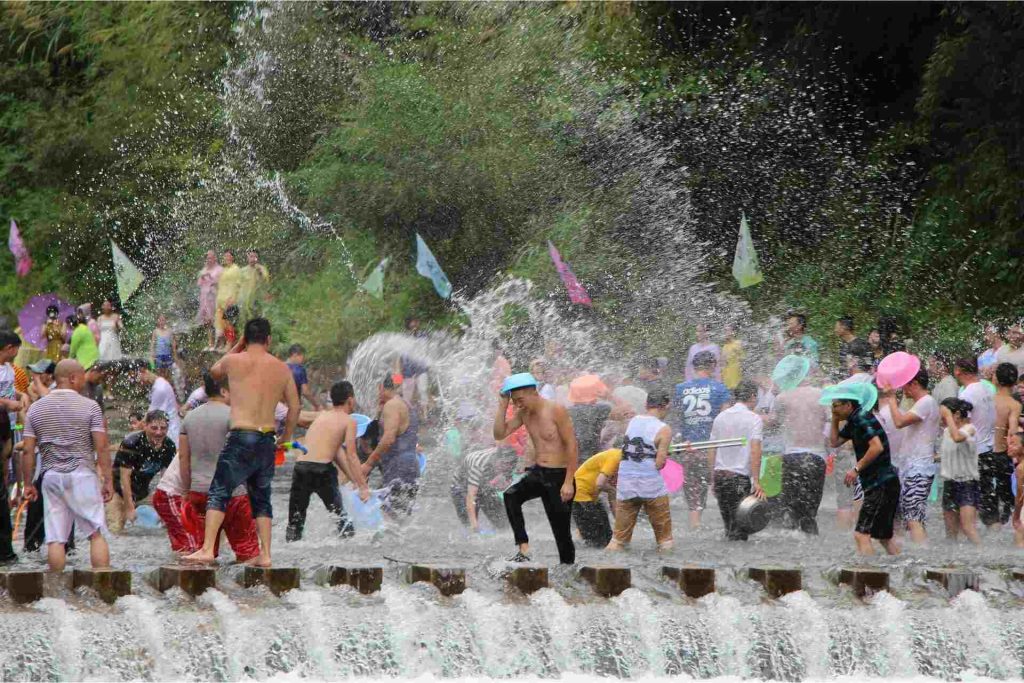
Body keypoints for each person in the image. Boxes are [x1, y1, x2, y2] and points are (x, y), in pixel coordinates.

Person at [184, 318, 299, 567]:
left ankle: (206, 549)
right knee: (261, 497)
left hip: (241, 435)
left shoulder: (233, 360)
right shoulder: (282, 368)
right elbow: (295, 406)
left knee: (219, 491)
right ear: (268, 339)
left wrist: (238, 345)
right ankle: (266, 555)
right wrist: (286, 437)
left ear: (246, 339)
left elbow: (214, 372)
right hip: (267, 438)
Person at [21, 360, 112, 571]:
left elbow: (27, 450)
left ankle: (56, 593)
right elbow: (102, 447)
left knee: (55, 538)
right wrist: (107, 480)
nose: (83, 381)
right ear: (72, 378)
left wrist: (27, 484)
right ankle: (103, 589)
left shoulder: (36, 409)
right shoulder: (90, 407)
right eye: (81, 376)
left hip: (51, 476)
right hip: (82, 475)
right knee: (95, 533)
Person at [166, 371, 259, 560]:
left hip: (199, 492)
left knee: (204, 552)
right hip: (233, 495)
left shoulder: (190, 418)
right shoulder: (235, 416)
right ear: (225, 391)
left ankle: (205, 588)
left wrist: (186, 491)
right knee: (247, 552)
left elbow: (184, 458)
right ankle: (249, 589)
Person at [493, 373, 577, 564]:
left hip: (560, 475)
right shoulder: (523, 413)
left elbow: (572, 445)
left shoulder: (556, 410)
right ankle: (524, 549)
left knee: (561, 533)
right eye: (515, 401)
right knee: (511, 496)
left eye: (520, 400)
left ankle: (568, 570)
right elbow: (499, 434)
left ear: (533, 392)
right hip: (539, 472)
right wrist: (503, 405)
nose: (518, 405)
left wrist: (568, 482)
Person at [286, 381, 370, 542]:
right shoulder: (349, 421)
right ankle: (350, 549)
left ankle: (290, 552)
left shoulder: (322, 416)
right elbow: (351, 456)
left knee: (295, 521)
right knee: (340, 517)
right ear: (350, 400)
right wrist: (363, 487)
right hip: (321, 471)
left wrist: (354, 480)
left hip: (301, 468)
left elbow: (337, 453)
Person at [829, 392, 900, 556]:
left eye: (836, 405)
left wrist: (856, 469)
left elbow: (877, 447)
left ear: (848, 405)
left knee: (861, 534)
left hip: (880, 484)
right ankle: (900, 571)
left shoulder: (861, 418)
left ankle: (869, 576)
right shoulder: (854, 420)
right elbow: (834, 442)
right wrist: (834, 419)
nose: (833, 409)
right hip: (885, 483)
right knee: (884, 538)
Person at [607, 391, 673, 551]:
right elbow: (659, 464)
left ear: (646, 405)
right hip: (651, 486)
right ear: (666, 407)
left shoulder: (633, 421)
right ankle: (666, 570)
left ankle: (607, 564)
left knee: (618, 540)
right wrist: (664, 453)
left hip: (626, 484)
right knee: (665, 541)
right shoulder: (664, 429)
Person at [672, 351, 731, 529]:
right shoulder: (719, 388)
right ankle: (729, 528)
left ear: (694, 367)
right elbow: (725, 419)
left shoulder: (680, 389)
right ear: (712, 367)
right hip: (711, 449)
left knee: (694, 493)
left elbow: (676, 418)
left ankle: (695, 525)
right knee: (720, 488)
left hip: (689, 448)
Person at [882, 369, 940, 544]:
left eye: (905, 384)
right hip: (914, 467)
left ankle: (921, 557)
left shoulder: (926, 402)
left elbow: (899, 422)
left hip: (918, 468)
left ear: (914, 384)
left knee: (913, 517)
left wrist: (891, 399)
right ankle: (920, 552)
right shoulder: (923, 403)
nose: (902, 389)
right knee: (914, 517)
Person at [767, 373, 827, 534]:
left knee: (790, 507)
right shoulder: (821, 395)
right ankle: (812, 542)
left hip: (791, 456)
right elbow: (829, 421)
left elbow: (773, 422)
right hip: (817, 456)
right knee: (810, 511)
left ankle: (792, 545)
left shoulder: (782, 397)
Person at [708, 380, 764, 541]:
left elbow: (712, 449)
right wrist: (756, 480)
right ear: (752, 396)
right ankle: (739, 564)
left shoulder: (720, 417)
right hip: (738, 479)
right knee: (741, 529)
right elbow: (755, 450)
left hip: (720, 478)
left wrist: (712, 478)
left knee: (729, 527)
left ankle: (726, 563)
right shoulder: (754, 419)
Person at [361, 376, 421, 518]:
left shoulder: (392, 405)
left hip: (398, 467)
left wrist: (368, 464)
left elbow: (388, 438)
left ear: (381, 387)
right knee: (402, 519)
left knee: (387, 517)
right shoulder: (407, 404)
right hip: (411, 466)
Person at [107, 410, 175, 533]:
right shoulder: (132, 443)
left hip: (143, 493)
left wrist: (165, 507)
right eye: (154, 428)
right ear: (145, 426)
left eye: (163, 428)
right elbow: (124, 477)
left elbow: (166, 480)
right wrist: (129, 506)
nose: (159, 432)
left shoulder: (169, 446)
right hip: (118, 491)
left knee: (168, 525)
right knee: (116, 530)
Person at [954, 357, 1000, 529]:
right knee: (988, 496)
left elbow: (961, 424)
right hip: (988, 449)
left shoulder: (967, 394)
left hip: (973, 451)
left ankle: (972, 536)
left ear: (958, 370)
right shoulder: (987, 389)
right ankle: (995, 531)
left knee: (968, 498)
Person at [938, 397, 981, 544]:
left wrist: (948, 416)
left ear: (956, 415)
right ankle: (951, 563)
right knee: (950, 533)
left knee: (968, 528)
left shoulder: (970, 429)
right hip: (950, 483)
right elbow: (949, 452)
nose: (942, 419)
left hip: (967, 483)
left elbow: (957, 438)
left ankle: (983, 558)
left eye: (944, 415)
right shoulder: (946, 432)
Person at [452, 447, 516, 534]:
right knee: (469, 524)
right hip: (461, 487)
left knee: (504, 522)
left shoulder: (509, 460)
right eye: (502, 464)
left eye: (508, 465)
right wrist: (474, 525)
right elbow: (471, 497)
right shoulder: (478, 465)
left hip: (483, 485)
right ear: (496, 459)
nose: (504, 468)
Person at [989, 362, 1020, 527]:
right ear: (1015, 382)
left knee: (987, 495)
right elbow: (1012, 432)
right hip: (1001, 455)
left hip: (984, 454)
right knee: (1006, 497)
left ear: (996, 379)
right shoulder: (1013, 404)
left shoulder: (988, 400)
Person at [571, 448, 621, 547]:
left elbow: (612, 499)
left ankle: (579, 534)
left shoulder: (619, 461)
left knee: (607, 537)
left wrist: (619, 523)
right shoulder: (616, 457)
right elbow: (599, 483)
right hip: (580, 496)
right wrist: (611, 489)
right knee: (597, 541)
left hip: (588, 497)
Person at [566, 374, 612, 467]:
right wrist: (610, 396)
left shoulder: (567, 411)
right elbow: (626, 410)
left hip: (571, 459)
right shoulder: (600, 409)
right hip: (592, 457)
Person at [138, 362, 181, 444]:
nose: (141, 383)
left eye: (140, 378)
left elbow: (150, 415)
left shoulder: (159, 388)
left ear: (144, 371)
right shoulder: (160, 383)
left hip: (170, 433)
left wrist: (137, 427)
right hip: (170, 429)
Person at [396, 316, 430, 410]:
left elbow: (427, 351)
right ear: (408, 324)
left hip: (421, 370)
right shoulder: (402, 338)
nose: (415, 324)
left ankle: (425, 415)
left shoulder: (423, 335)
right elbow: (397, 360)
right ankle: (409, 416)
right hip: (407, 373)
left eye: (417, 321)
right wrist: (398, 381)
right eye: (413, 322)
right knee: (407, 397)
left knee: (423, 391)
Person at [214, 250, 241, 350]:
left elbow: (238, 285)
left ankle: (229, 344)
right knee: (222, 324)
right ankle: (225, 343)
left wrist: (233, 298)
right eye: (225, 256)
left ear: (233, 257)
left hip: (230, 300)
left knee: (230, 323)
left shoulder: (236, 269)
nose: (227, 258)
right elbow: (219, 285)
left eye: (229, 256)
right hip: (220, 301)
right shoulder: (222, 270)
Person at [237, 249, 270, 327]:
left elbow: (266, 281)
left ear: (257, 258)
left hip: (257, 300)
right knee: (246, 323)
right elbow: (238, 286)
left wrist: (260, 272)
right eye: (251, 256)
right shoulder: (242, 270)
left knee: (258, 322)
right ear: (247, 257)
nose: (253, 259)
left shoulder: (261, 269)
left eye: (255, 257)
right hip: (244, 301)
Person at [197, 250, 223, 349]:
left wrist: (211, 279)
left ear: (215, 258)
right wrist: (203, 277)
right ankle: (210, 342)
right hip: (204, 298)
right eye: (207, 258)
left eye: (211, 258)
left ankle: (220, 343)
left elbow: (222, 283)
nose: (209, 260)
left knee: (218, 320)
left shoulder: (220, 269)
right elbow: (199, 283)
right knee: (207, 321)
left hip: (215, 297)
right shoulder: (203, 270)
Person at [286, 344, 321, 411]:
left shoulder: (279, 366)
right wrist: (317, 405)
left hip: (279, 407)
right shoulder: (299, 369)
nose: (303, 359)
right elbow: (305, 392)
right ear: (295, 354)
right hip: (293, 408)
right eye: (302, 356)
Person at [720, 325, 744, 390]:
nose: (726, 333)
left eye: (728, 330)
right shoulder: (724, 347)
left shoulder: (738, 343)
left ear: (733, 332)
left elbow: (743, 360)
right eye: (725, 331)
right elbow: (723, 365)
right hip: (726, 382)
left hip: (736, 381)